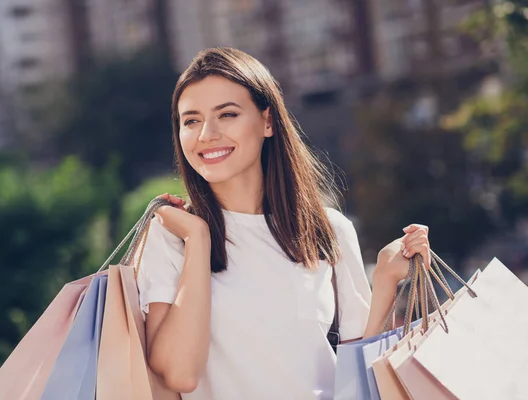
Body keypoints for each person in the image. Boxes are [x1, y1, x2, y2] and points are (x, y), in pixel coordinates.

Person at [136, 47, 431, 400]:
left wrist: (385, 279)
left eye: (227, 114)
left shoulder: (328, 231)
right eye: (191, 120)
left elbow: (360, 379)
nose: (206, 134)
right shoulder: (172, 237)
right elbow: (179, 375)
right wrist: (198, 238)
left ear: (268, 121)